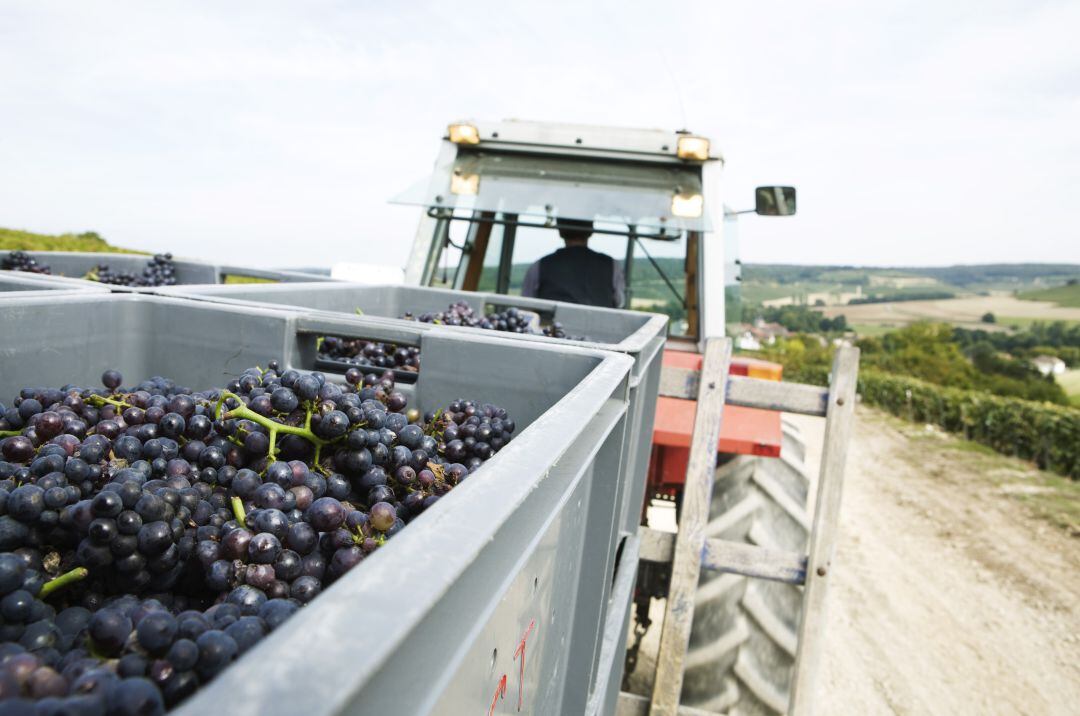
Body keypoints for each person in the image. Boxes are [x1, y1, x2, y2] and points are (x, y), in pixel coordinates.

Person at [520, 218, 625, 308]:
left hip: (552, 330)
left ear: (560, 230)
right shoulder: (612, 266)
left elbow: (526, 306)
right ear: (591, 230)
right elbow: (619, 302)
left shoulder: (539, 266)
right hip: (601, 329)